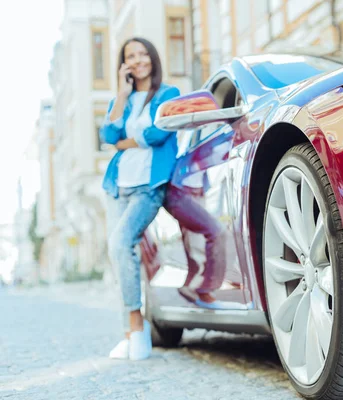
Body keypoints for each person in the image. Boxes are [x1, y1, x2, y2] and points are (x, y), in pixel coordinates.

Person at [99, 37, 180, 361]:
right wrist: (121, 92)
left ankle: (137, 325)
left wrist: (126, 142)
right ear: (124, 64)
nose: (138, 60)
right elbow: (107, 136)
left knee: (120, 244)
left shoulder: (168, 94)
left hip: (150, 185)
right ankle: (130, 333)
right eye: (130, 56)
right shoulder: (125, 99)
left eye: (143, 53)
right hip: (118, 185)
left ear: (153, 57)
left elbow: (159, 133)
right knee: (120, 255)